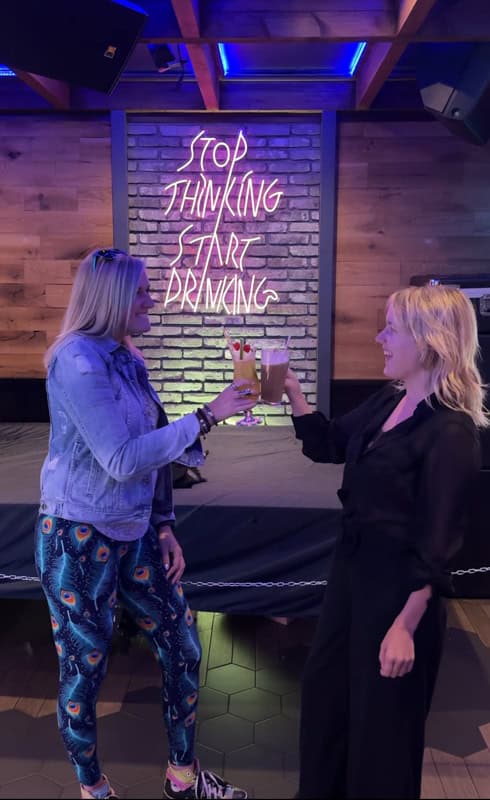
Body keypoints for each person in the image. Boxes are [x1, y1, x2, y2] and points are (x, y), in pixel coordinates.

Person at [35, 247, 254, 800]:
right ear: (111, 298)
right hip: (76, 537)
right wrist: (207, 415)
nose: (152, 299)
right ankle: (94, 790)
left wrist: (162, 523)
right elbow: (122, 458)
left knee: (184, 648)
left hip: (136, 531)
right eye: (142, 292)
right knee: (84, 671)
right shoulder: (77, 360)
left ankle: (183, 779)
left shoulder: (126, 357)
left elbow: (150, 451)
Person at [284, 284, 487, 799]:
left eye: (391, 328)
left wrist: (405, 628)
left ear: (429, 342)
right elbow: (329, 443)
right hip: (351, 577)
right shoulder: (387, 401)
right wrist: (293, 393)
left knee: (383, 731)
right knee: (327, 702)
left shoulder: (451, 432)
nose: (379, 338)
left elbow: (439, 544)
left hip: (400, 597)